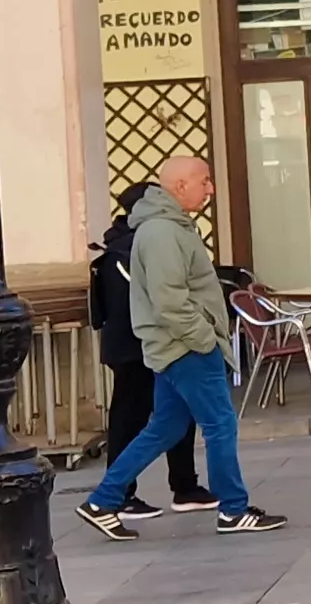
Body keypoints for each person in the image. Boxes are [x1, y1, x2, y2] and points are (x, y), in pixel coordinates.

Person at [77, 156, 279, 537]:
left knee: (163, 428)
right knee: (220, 424)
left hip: (175, 346)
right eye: (204, 180)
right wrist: (203, 339)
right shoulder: (162, 233)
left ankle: (103, 500)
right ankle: (233, 509)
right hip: (185, 347)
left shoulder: (167, 228)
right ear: (181, 185)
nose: (211, 189)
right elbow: (170, 300)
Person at [85, 187, 207, 517]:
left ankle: (185, 486)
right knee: (131, 418)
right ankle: (121, 493)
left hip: (148, 343)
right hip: (134, 347)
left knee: (176, 413)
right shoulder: (132, 247)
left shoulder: (132, 242)